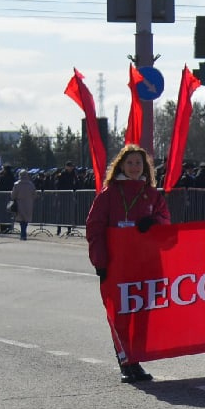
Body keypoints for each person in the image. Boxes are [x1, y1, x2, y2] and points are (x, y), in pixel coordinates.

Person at [84, 145, 170, 384]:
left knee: (142, 312)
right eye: (130, 163)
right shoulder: (109, 194)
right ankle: (125, 360)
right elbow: (94, 228)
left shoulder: (152, 194)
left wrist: (154, 222)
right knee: (122, 314)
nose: (134, 167)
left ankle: (137, 359)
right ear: (121, 165)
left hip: (146, 263)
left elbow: (166, 223)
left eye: (139, 164)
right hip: (118, 265)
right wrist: (100, 262)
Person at [11, 170, 37, 241]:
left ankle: (23, 234)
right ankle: (23, 233)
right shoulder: (31, 184)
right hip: (29, 203)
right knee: (26, 219)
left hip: (20, 203)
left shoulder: (16, 184)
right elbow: (34, 194)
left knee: (21, 219)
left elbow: (13, 195)